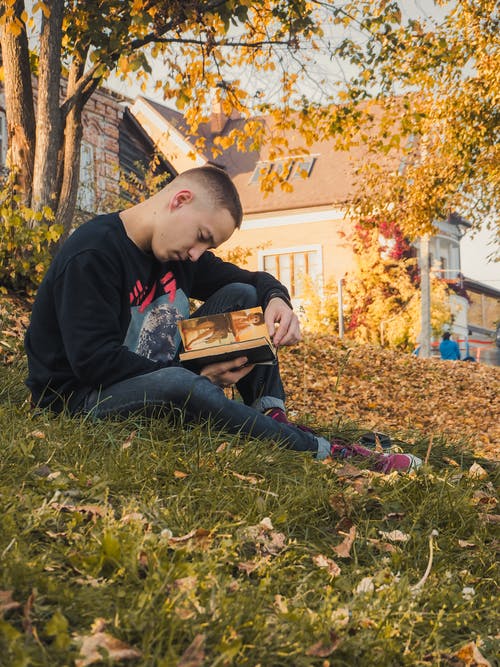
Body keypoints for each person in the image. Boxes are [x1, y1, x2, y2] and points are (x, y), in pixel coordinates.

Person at [25, 165, 421, 473]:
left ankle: (270, 413)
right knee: (182, 382)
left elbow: (250, 281)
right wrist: (197, 377)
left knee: (244, 298)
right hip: (81, 398)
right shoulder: (94, 254)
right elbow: (93, 361)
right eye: (201, 236)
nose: (198, 253)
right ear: (179, 200)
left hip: (163, 371)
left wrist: (277, 299)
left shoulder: (178, 253)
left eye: (208, 245)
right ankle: (329, 453)